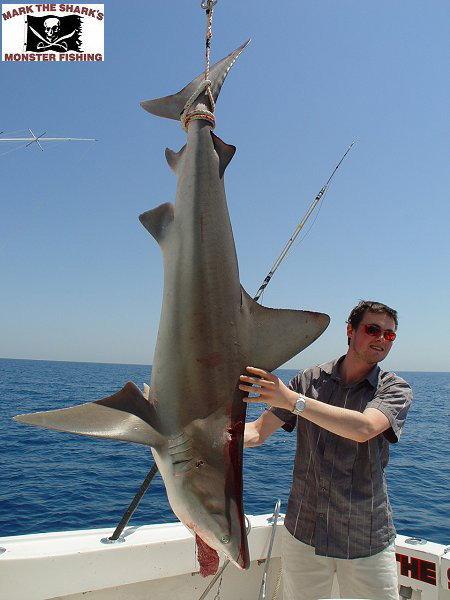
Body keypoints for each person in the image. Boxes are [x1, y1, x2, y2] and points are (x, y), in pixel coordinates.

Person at [239, 300, 412, 600]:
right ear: (350, 330)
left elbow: (364, 428)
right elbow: (255, 433)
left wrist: (294, 401)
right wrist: (195, 433)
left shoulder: (394, 389)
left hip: (365, 540)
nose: (381, 339)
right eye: (373, 329)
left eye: (390, 335)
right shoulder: (306, 382)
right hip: (304, 536)